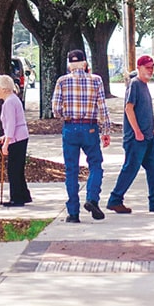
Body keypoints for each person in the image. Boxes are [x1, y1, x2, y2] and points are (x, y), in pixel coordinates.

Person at [105, 55, 154, 214]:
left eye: (152, 67)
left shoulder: (144, 85)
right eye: (147, 67)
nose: (150, 70)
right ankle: (115, 200)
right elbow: (129, 108)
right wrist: (137, 131)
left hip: (149, 137)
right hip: (136, 138)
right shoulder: (135, 84)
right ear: (139, 68)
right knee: (131, 168)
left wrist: (150, 129)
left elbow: (144, 111)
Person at [51, 48, 112, 222]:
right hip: (90, 128)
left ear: (70, 65)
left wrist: (66, 114)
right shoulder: (96, 81)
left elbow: (55, 109)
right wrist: (106, 131)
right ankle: (92, 198)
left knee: (71, 170)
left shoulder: (62, 81)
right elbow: (102, 108)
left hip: (70, 128)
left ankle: (73, 212)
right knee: (95, 164)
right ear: (85, 64)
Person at [0, 73, 31, 207]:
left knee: (13, 169)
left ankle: (17, 198)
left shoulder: (9, 102)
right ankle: (23, 194)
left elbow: (11, 123)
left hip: (16, 138)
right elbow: (14, 122)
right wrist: (6, 136)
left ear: (4, 88)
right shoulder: (13, 99)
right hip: (21, 136)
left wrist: (7, 142)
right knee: (18, 168)